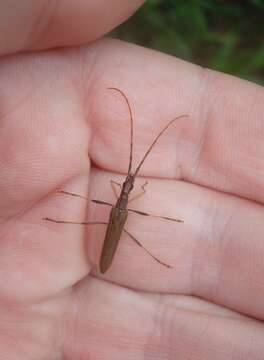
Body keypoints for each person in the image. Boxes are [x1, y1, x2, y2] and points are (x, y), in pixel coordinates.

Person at [0, 1, 263, 359]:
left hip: (115, 223)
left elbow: (124, 193)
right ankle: (74, 224)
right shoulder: (121, 204)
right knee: (102, 217)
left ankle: (143, 253)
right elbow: (125, 192)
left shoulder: (119, 208)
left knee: (119, 225)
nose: (125, 186)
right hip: (114, 222)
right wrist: (131, 191)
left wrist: (131, 192)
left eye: (127, 187)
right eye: (125, 186)